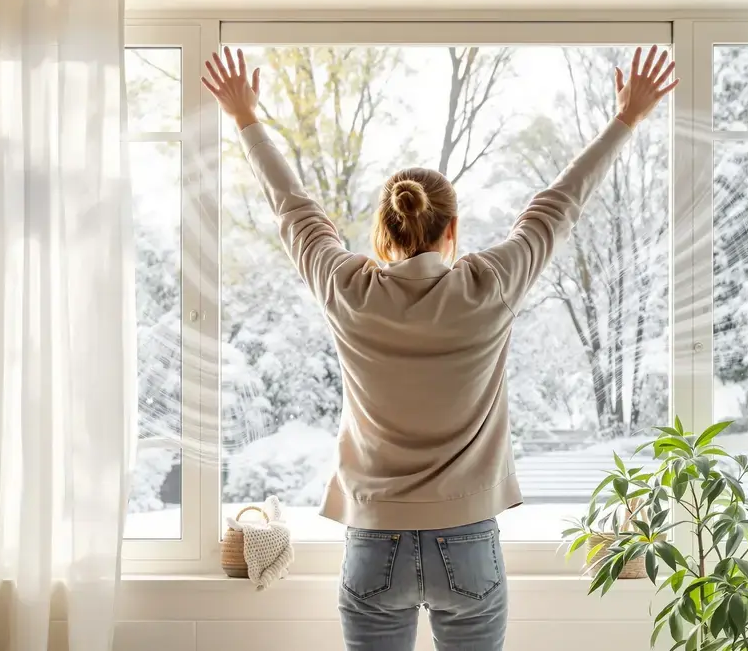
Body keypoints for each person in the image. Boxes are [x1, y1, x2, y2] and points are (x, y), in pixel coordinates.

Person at [202, 45, 677, 651]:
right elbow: (556, 208)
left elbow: (295, 211)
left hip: (375, 541)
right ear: (451, 229)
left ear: (384, 230)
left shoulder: (348, 289)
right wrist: (626, 118)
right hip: (468, 543)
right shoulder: (488, 286)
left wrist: (246, 118)